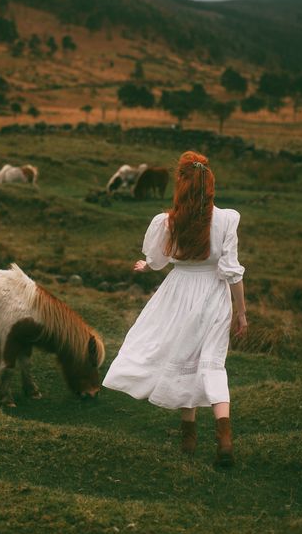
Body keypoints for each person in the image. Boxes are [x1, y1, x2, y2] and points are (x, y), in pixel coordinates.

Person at [102, 150, 247, 466]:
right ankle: (224, 438)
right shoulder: (227, 219)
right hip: (215, 294)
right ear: (209, 184)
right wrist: (241, 312)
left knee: (184, 358)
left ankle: (189, 437)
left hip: (180, 291)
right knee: (212, 363)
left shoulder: (168, 221)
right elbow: (232, 270)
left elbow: (157, 260)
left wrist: (146, 265)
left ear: (181, 184)